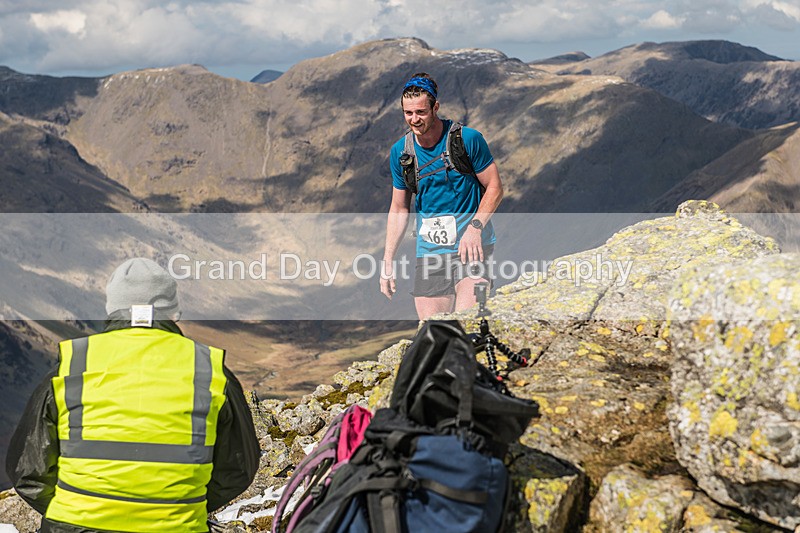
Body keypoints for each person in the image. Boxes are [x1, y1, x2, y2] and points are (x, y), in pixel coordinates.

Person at [5, 258, 260, 533]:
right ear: (174, 312)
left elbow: (27, 470)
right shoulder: (209, 369)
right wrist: (178, 504)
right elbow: (238, 468)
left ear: (112, 309)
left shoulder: (73, 364)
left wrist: (73, 513)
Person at [380, 73, 503, 320]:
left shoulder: (467, 139)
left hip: (473, 248)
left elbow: (495, 188)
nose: (414, 119)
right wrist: (387, 261)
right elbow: (399, 209)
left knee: (466, 324)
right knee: (432, 331)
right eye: (408, 113)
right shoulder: (401, 153)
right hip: (430, 253)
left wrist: (475, 228)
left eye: (421, 112)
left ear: (435, 107)